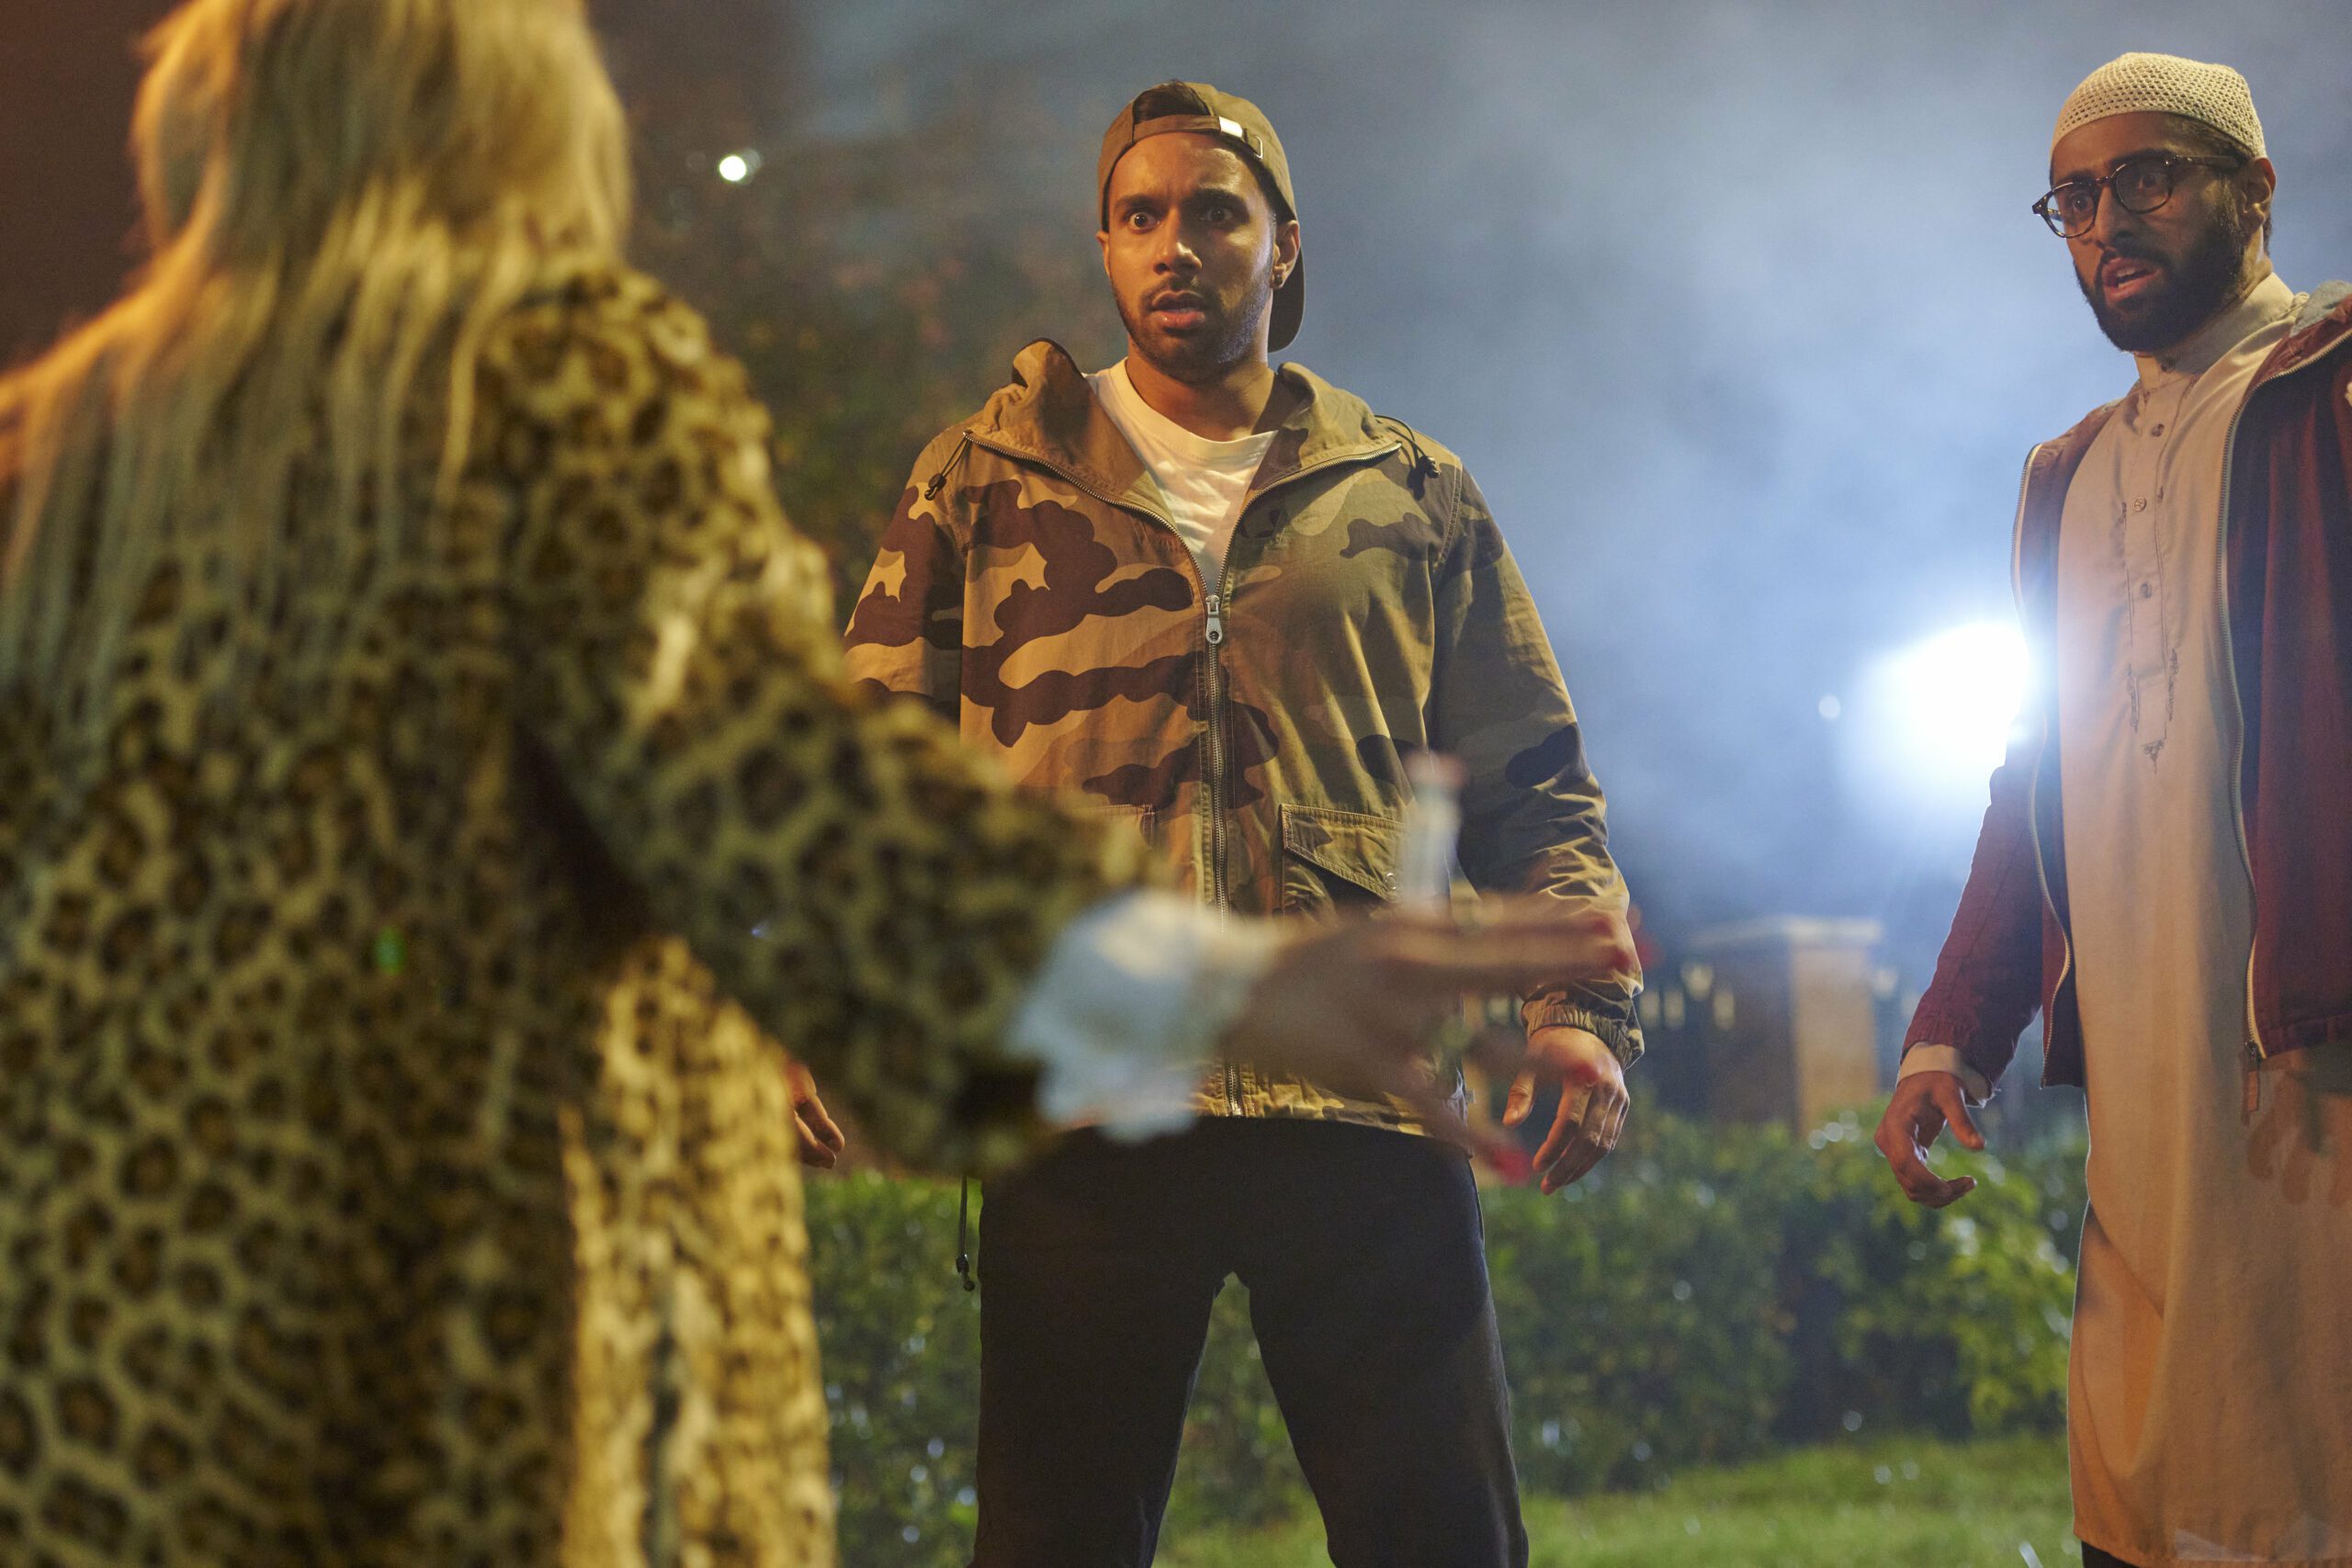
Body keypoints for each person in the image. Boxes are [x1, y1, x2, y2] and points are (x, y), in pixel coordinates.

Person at [0, 7, 1634, 1565]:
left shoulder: (56, 449)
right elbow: (808, 808)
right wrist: (1220, 985)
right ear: (498, 113)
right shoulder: (560, 385)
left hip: (113, 1300)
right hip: (463, 1264)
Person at [839, 79, 1643, 1567]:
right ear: (1101, 245)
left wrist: (1581, 1011)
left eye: (1214, 211)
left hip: (1362, 1094)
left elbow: (1535, 783)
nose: (1174, 246)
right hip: (1085, 1090)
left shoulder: (1405, 487)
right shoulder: (986, 477)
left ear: (1284, 243)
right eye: (1139, 215)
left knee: (1441, 1541)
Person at [1875, 52, 2352, 1568]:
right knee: (2156, 1493)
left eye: (2146, 178)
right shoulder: (2061, 478)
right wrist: (1955, 1023)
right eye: (2073, 199)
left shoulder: (2330, 386)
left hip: (2322, 1063)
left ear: (2254, 191)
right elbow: (2042, 777)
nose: (2104, 225)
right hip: (2148, 1094)